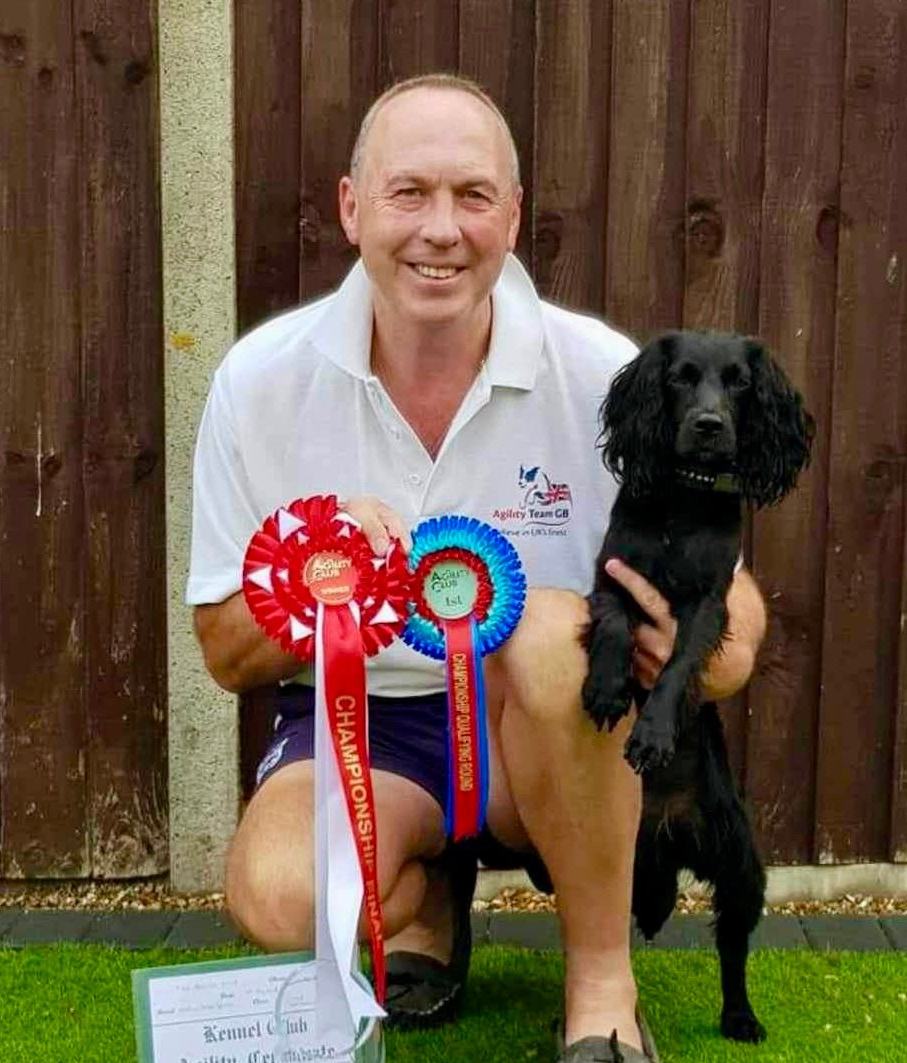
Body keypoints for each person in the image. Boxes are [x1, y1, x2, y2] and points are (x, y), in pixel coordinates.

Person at [188, 74, 766, 1063]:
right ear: (351, 206)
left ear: (513, 214)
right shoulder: (259, 379)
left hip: (548, 722)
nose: (441, 230)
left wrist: (710, 649)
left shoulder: (604, 372)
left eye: (472, 196)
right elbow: (223, 651)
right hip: (365, 727)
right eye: (409, 192)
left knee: (546, 632)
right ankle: (430, 907)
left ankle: (599, 986)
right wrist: (329, 581)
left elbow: (734, 602)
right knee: (279, 895)